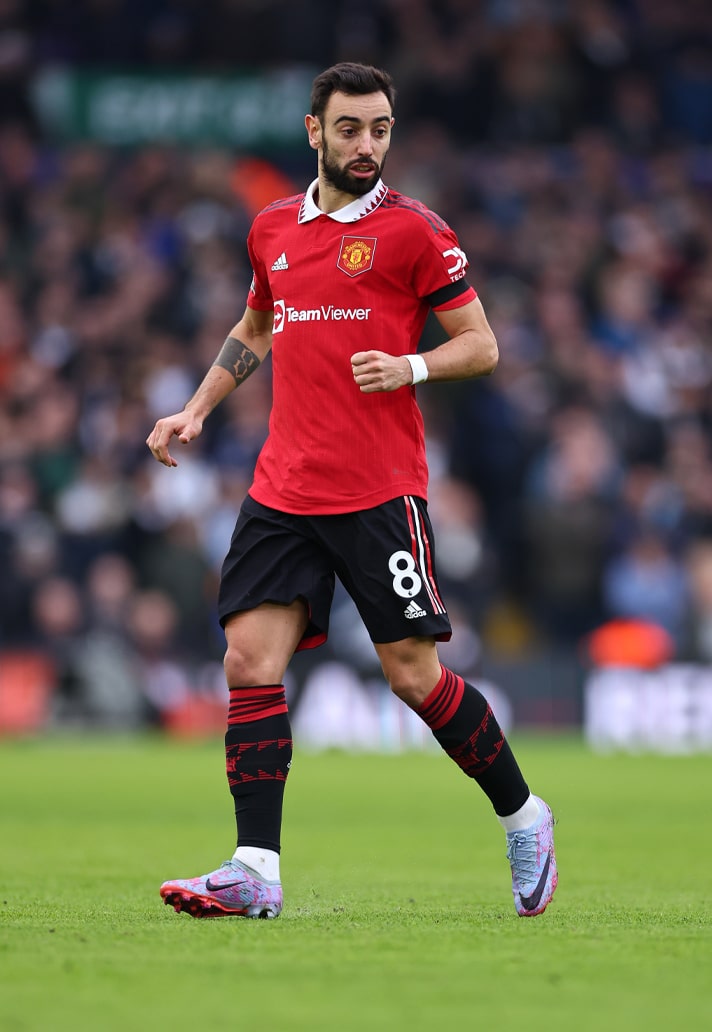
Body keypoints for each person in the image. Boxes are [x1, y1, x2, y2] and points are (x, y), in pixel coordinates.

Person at [146, 62, 558, 919]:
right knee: (247, 662)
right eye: (349, 129)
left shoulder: (414, 231)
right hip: (284, 489)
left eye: (380, 129)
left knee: (414, 677)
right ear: (313, 132)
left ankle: (525, 816)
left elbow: (482, 344)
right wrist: (196, 407)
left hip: (378, 491)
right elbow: (256, 324)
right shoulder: (270, 228)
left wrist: (411, 365)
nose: (367, 145)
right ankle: (255, 867)